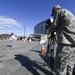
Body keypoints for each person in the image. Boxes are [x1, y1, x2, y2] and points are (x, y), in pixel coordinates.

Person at [50, 5, 75, 75]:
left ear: (55, 10)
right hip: (73, 44)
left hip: (65, 43)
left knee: (60, 67)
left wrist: (49, 26)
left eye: (53, 14)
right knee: (70, 65)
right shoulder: (70, 14)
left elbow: (54, 26)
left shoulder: (60, 12)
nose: (53, 16)